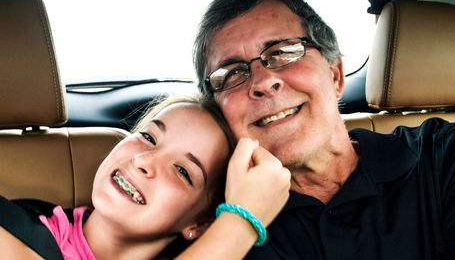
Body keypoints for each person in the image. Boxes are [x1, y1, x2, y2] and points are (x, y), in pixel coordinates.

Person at [193, 0, 455, 259]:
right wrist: (236, 225)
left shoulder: (448, 151)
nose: (262, 82)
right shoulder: (218, 225)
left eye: (283, 52)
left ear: (335, 75)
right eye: (231, 72)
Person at [0, 95, 291, 259]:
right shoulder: (10, 229)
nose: (143, 160)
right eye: (149, 137)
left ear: (200, 225)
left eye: (182, 171)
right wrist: (243, 221)